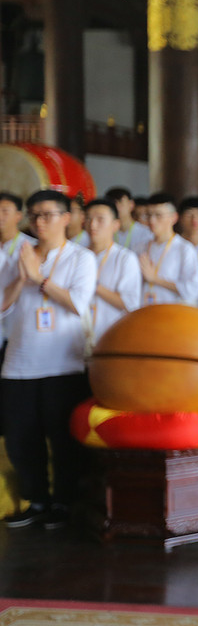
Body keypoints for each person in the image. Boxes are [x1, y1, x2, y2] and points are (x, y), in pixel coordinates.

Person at [0, 190, 97, 529]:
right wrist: (23, 276)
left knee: (62, 437)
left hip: (62, 363)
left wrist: (39, 278)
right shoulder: (20, 256)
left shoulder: (81, 258)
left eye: (48, 215)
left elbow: (77, 303)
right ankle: (36, 499)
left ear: (66, 218)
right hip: (18, 362)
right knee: (21, 437)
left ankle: (65, 502)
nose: (40, 222)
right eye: (35, 215)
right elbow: (3, 305)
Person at [85, 199, 141, 342]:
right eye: (89, 219)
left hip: (111, 335)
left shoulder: (125, 258)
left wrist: (95, 287)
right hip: (77, 336)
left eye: (100, 220)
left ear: (115, 225)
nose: (93, 225)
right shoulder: (78, 256)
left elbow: (131, 304)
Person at [139, 193, 198, 307]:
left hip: (172, 315)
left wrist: (155, 279)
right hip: (145, 313)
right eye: (148, 215)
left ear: (174, 217)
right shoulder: (141, 247)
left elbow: (192, 291)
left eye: (158, 215)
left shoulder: (184, 249)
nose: (152, 221)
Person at [1, 193, 36, 372]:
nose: (0, 216)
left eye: (5, 211)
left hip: (17, 326)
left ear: (19, 216)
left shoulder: (31, 246)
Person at [106, 187, 153, 254]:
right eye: (113, 203)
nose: (117, 207)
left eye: (120, 202)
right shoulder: (106, 232)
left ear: (131, 204)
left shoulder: (145, 233)